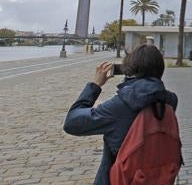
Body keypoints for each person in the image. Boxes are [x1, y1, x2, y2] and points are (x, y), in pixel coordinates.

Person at [63, 44, 178, 185]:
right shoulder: (170, 101)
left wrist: (95, 85)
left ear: (130, 69)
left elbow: (71, 123)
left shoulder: (122, 105)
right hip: (159, 177)